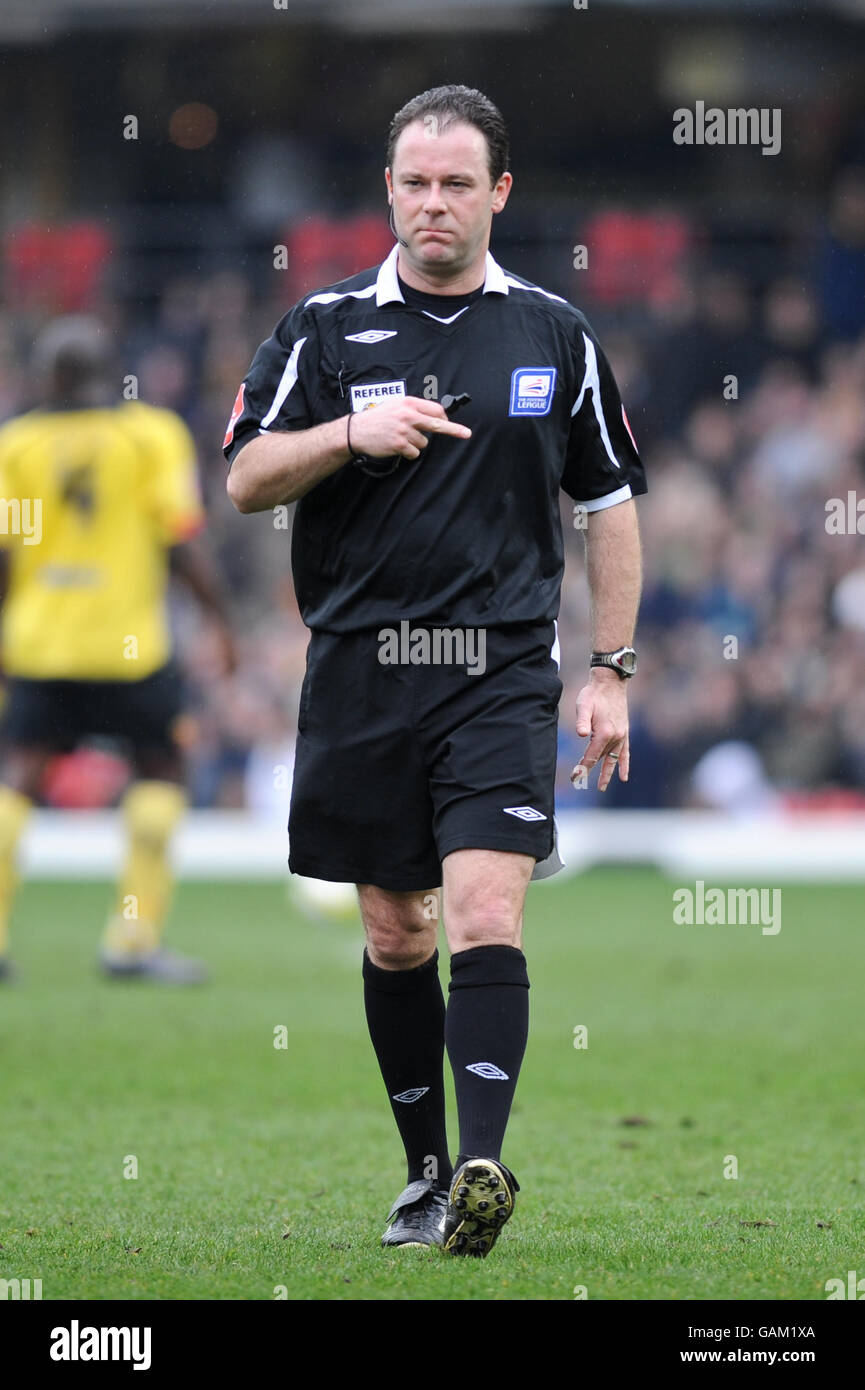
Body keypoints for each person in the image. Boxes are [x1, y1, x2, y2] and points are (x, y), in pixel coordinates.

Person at [225, 85, 645, 1256]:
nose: (433, 204)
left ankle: (482, 1166)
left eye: (458, 183)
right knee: (397, 932)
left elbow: (607, 507)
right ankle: (420, 1172)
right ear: (389, 192)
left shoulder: (556, 335)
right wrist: (346, 435)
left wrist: (608, 666)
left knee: (481, 906)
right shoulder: (320, 327)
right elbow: (246, 476)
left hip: (501, 670)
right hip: (361, 671)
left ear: (498, 192)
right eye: (414, 182)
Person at [0, 315, 235, 984]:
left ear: (47, 377)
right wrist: (220, 623)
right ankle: (132, 941)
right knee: (161, 771)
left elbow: (5, 551)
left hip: (40, 642)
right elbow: (180, 540)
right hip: (131, 646)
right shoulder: (149, 435)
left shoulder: (17, 443)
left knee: (17, 775)